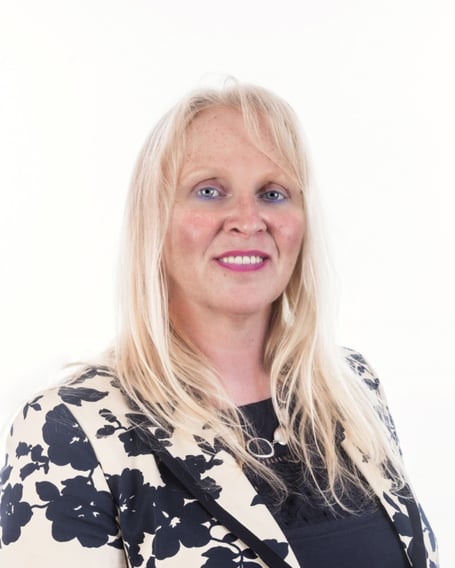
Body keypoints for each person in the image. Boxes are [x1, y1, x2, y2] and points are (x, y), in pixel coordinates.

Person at [0, 81, 438, 568]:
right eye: (209, 191)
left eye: (273, 193)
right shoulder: (71, 427)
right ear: (155, 220)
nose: (248, 220)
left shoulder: (352, 390)